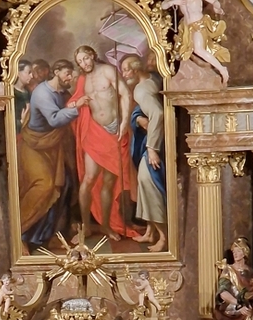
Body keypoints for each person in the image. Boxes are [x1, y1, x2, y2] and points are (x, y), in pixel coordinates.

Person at [69, 45, 138, 243]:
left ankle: (106, 225)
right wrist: (76, 103)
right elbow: (74, 102)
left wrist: (124, 123)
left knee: (109, 181)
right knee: (89, 179)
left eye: (85, 58)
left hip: (115, 132)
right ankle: (86, 227)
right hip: (94, 132)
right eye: (80, 61)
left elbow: (125, 94)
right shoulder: (82, 80)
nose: (84, 63)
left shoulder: (108, 70)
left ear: (92, 55)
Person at [18, 59, 88, 250]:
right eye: (67, 73)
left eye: (72, 74)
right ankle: (20, 233)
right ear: (56, 72)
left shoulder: (59, 93)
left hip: (53, 146)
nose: (70, 78)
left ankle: (48, 236)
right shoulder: (42, 93)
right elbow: (55, 119)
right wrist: (77, 106)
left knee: (62, 187)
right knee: (44, 186)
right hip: (35, 146)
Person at [120, 55, 167, 252]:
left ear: (136, 69)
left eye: (126, 70)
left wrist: (152, 148)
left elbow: (158, 113)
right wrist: (137, 117)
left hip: (152, 146)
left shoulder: (141, 89)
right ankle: (150, 232)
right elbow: (145, 111)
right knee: (144, 184)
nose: (123, 74)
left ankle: (163, 236)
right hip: (152, 143)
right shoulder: (153, 79)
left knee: (149, 183)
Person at [161, 0, 230, 85]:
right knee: (183, 51)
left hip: (198, 24)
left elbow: (214, 1)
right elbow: (163, 5)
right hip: (186, 27)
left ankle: (222, 69)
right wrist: (172, 2)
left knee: (198, 49)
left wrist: (217, 7)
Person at [14, 59, 33, 133]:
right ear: (18, 73)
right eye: (29, 72)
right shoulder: (12, 93)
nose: (31, 76)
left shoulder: (28, 92)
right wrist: (22, 121)